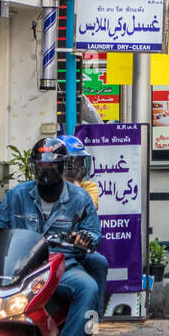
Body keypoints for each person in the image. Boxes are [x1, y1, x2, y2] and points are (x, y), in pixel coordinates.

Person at [0, 137, 101, 336]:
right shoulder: (16, 195)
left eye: (51, 166)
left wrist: (85, 238)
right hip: (20, 266)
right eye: (40, 166)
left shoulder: (80, 198)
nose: (45, 171)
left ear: (63, 166)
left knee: (87, 287)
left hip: (61, 266)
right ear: (34, 167)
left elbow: (94, 233)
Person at [59, 133, 108, 319]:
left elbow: (91, 206)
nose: (78, 166)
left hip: (77, 246)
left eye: (80, 162)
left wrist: (75, 181)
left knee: (98, 262)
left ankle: (93, 319)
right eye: (74, 162)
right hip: (49, 246)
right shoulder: (46, 187)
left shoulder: (88, 187)